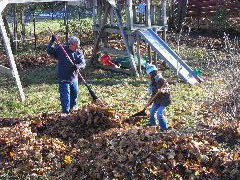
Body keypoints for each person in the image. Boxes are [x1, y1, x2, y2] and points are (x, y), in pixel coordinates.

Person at [47, 35, 86, 116]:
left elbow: (83, 63)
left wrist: (78, 66)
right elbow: (50, 51)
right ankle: (66, 114)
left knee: (74, 96)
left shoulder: (78, 52)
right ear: (71, 44)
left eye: (78, 46)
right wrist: (52, 41)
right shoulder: (61, 49)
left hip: (74, 78)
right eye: (76, 46)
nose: (77, 48)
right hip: (64, 77)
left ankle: (74, 112)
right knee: (65, 97)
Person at [146, 64, 171, 130]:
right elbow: (154, 94)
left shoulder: (161, 79)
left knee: (159, 113)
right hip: (157, 100)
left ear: (153, 73)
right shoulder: (152, 81)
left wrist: (162, 90)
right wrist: (149, 102)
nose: (149, 75)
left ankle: (164, 128)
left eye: (149, 74)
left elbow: (168, 88)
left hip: (164, 100)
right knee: (152, 111)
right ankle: (152, 124)